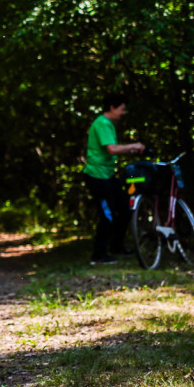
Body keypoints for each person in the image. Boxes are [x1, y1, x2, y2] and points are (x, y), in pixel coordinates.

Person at [82, 92, 145, 265]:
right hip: (97, 176)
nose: (124, 113)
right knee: (108, 215)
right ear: (112, 107)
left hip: (108, 176)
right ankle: (98, 255)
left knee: (125, 209)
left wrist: (133, 150)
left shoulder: (107, 123)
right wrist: (133, 146)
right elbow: (112, 149)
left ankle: (117, 247)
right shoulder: (102, 123)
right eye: (122, 109)